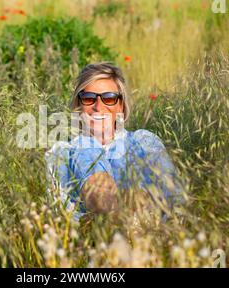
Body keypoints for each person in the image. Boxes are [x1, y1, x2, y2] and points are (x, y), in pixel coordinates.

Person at [45, 62, 182, 222]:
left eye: (109, 98)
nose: (98, 106)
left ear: (121, 106)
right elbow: (64, 216)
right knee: (85, 144)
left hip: (157, 236)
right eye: (89, 98)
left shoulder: (143, 141)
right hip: (96, 240)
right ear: (79, 105)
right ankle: (118, 219)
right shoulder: (62, 152)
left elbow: (174, 195)